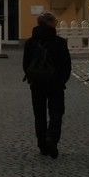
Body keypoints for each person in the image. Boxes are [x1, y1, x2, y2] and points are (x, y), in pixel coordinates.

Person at [22, 10, 73, 158]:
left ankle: (42, 145)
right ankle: (52, 139)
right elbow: (66, 65)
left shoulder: (30, 43)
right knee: (56, 113)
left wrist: (32, 78)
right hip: (55, 84)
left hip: (37, 84)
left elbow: (26, 64)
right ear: (49, 23)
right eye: (54, 22)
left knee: (39, 114)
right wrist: (62, 80)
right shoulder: (59, 42)